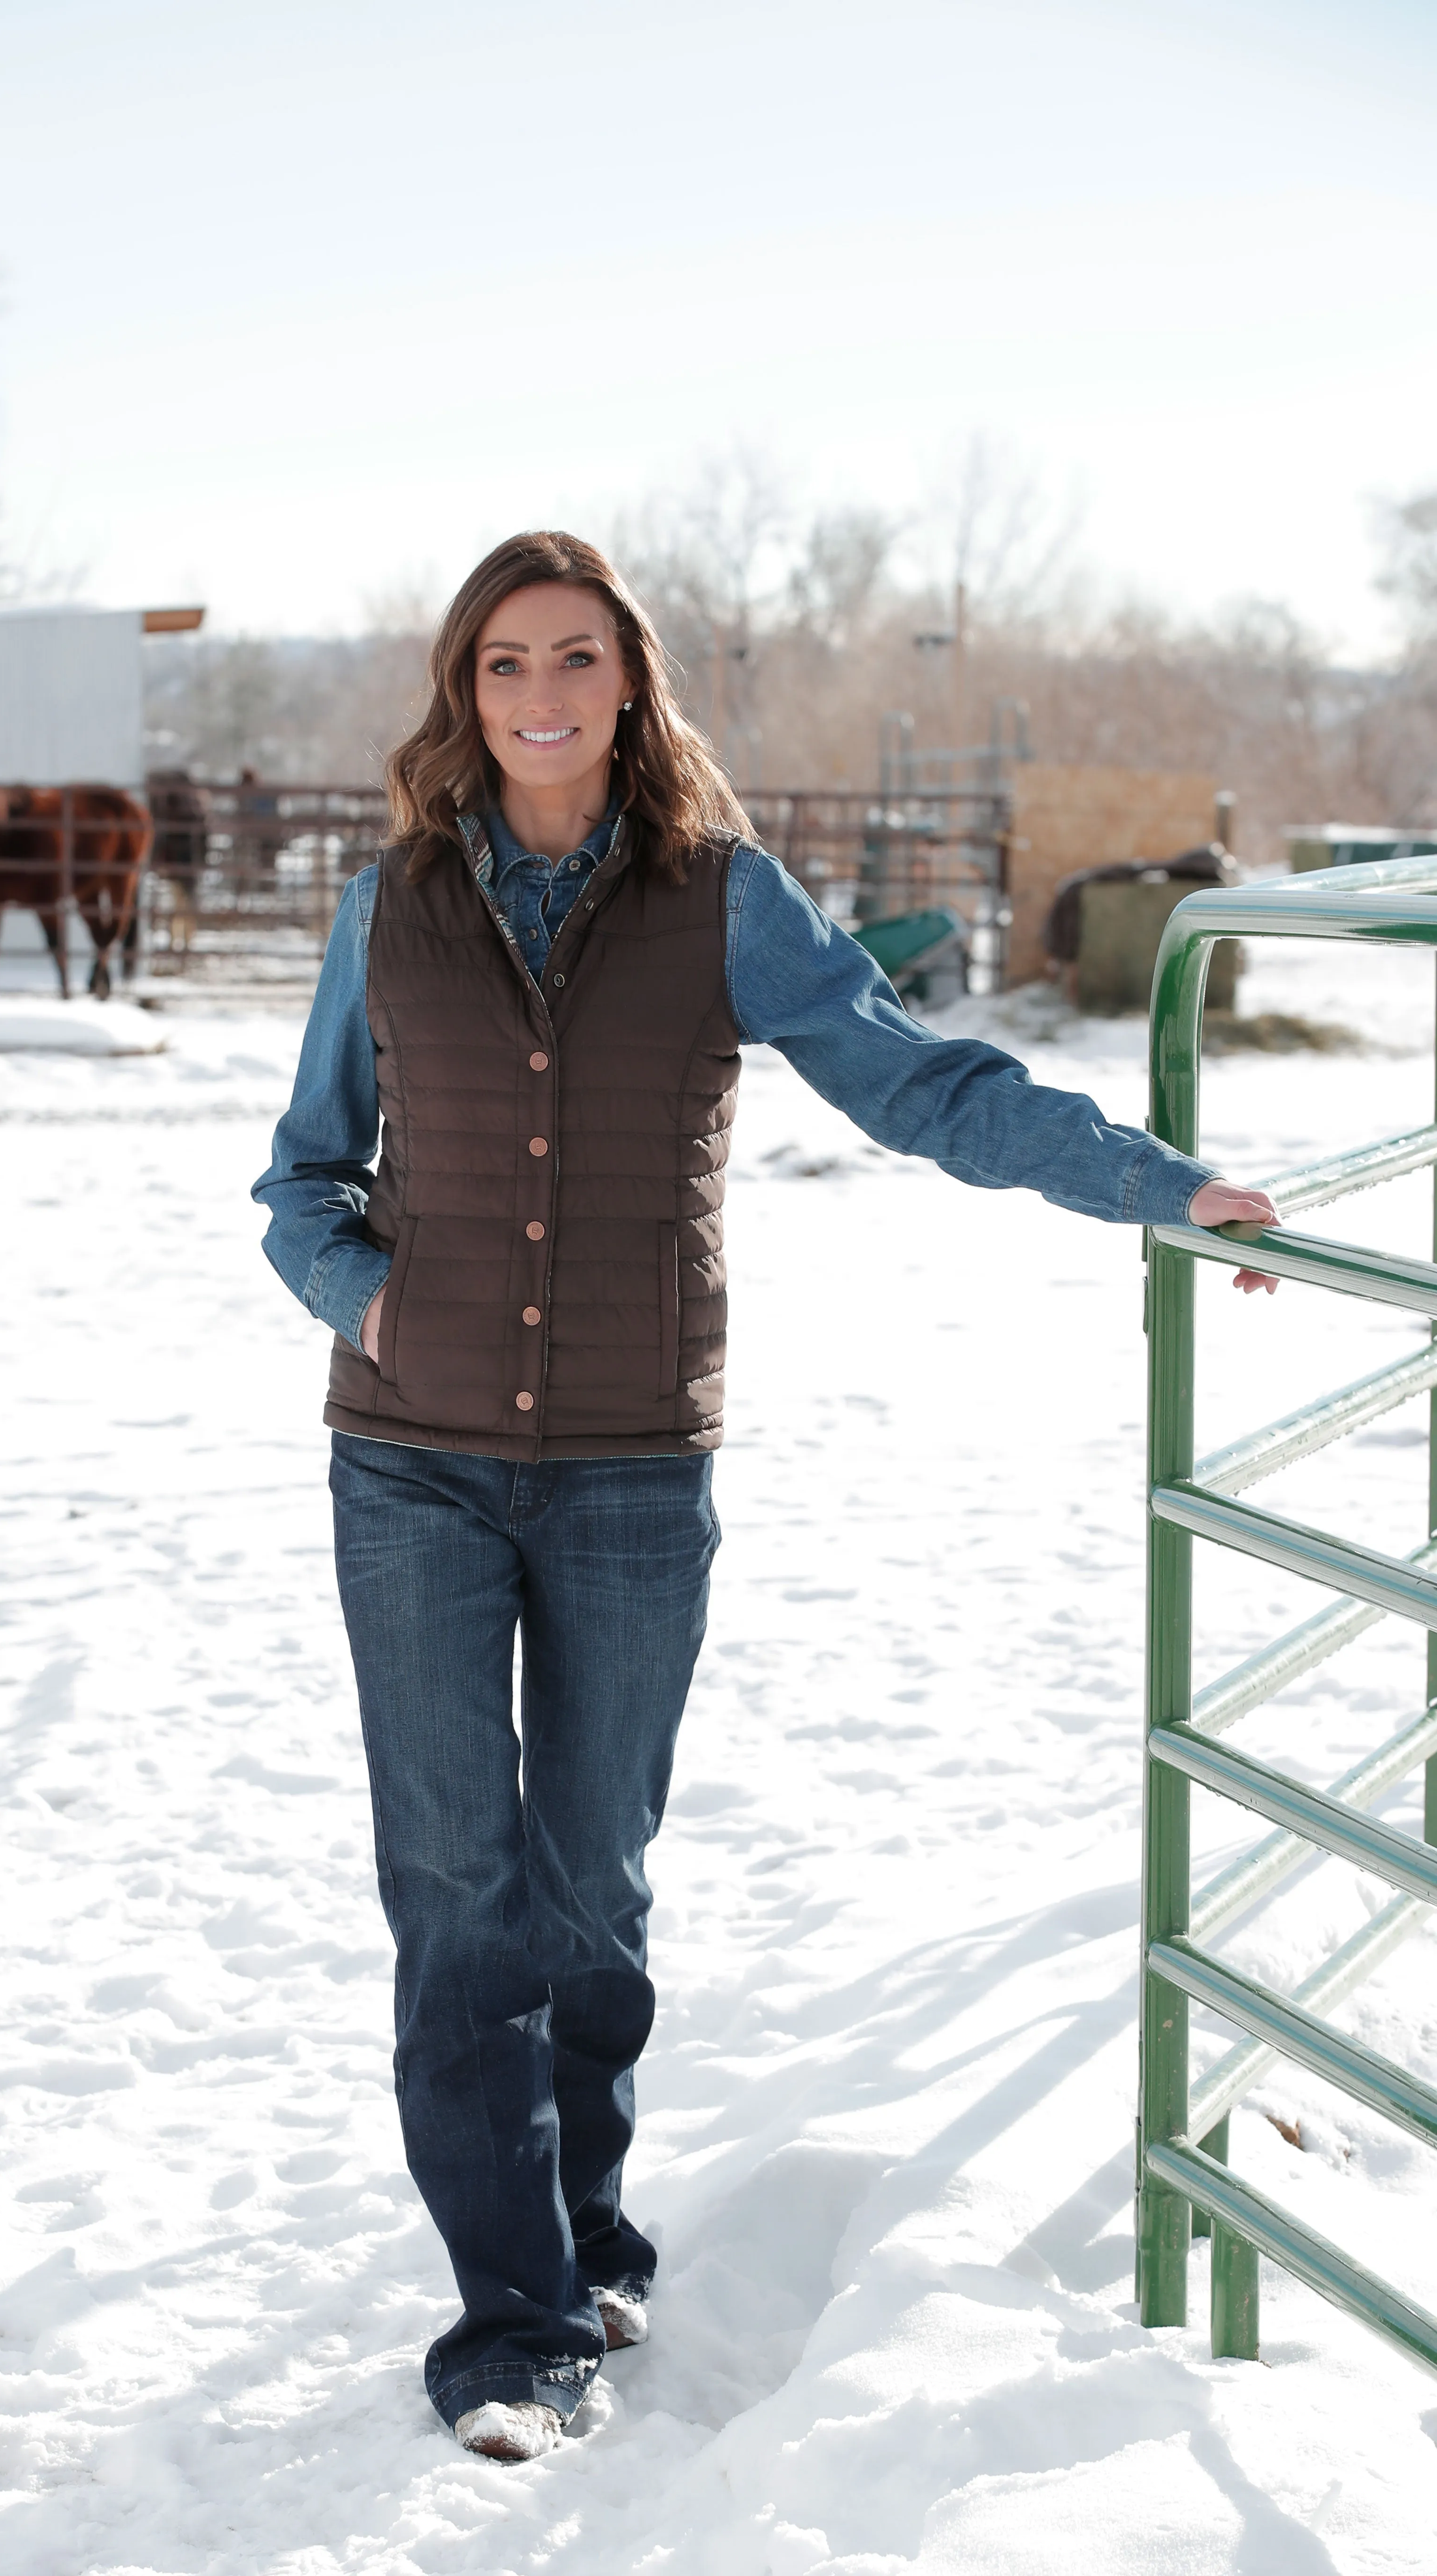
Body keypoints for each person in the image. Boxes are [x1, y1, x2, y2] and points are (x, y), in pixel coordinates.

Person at [251, 531, 1277, 2464]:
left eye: (573, 658)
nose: (539, 696)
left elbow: (925, 1088)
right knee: (458, 1897)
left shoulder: (724, 898)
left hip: (638, 1471)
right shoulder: (386, 904)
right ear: (463, 696)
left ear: (630, 680)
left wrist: (1159, 1180)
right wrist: (366, 1292)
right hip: (411, 1470)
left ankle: (588, 2215)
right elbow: (303, 1171)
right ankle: (516, 2322)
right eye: (500, 666)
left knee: (591, 1892)